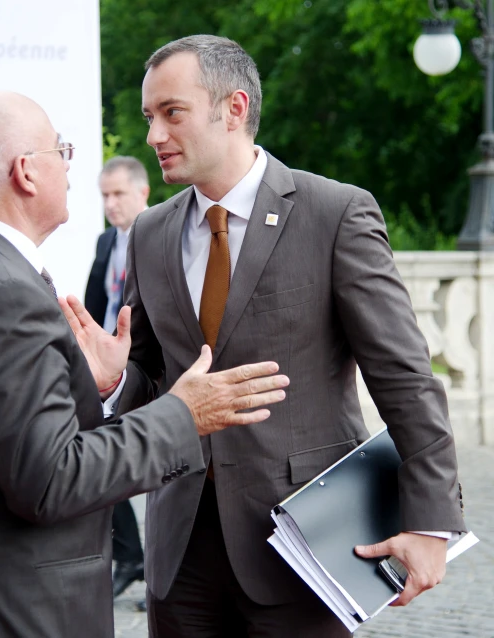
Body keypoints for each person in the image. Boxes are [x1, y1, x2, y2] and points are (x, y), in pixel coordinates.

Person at [70, 36, 467, 637]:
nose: (153, 135)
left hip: (306, 546)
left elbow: (405, 379)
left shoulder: (336, 213)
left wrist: (431, 523)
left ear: (234, 108)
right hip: (180, 555)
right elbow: (154, 384)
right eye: (149, 117)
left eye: (171, 113)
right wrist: (113, 382)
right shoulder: (149, 233)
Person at [0, 91, 290, 638]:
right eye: (61, 150)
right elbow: (49, 481)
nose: (70, 166)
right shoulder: (2, 291)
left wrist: (100, 386)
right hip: (18, 614)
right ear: (26, 171)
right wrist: (183, 415)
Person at [84, 156, 150, 603]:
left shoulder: (162, 235)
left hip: (145, 368)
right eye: (105, 195)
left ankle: (147, 560)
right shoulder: (107, 241)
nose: (110, 203)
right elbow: (95, 301)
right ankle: (132, 556)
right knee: (104, 463)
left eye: (119, 193)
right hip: (107, 369)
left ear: (142, 192)